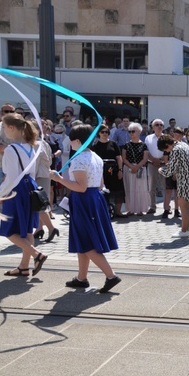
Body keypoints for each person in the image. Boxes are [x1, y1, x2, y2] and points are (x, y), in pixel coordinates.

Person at [49, 124, 121, 292]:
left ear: (78, 141)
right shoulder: (94, 156)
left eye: (71, 140)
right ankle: (82, 278)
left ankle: (111, 275)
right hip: (95, 198)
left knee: (87, 242)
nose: (69, 143)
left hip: (83, 200)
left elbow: (80, 187)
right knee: (84, 240)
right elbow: (100, 183)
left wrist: (58, 178)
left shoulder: (79, 158)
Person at [0, 113, 47, 277]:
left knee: (9, 230)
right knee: (27, 230)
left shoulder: (11, 149)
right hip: (29, 188)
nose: (3, 130)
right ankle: (24, 266)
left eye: (4, 127)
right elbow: (29, 173)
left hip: (16, 191)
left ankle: (36, 255)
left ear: (11, 128)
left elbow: (11, 178)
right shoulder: (29, 146)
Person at [158, 134, 189, 238]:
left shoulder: (176, 150)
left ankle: (184, 230)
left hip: (184, 181)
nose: (167, 152)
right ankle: (186, 229)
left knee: (184, 207)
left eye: (165, 149)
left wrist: (161, 170)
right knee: (187, 207)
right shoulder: (184, 144)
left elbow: (169, 172)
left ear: (167, 144)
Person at [92, 124, 126, 217]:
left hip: (113, 170)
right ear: (99, 133)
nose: (105, 134)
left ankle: (118, 211)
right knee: (103, 191)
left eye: (106, 132)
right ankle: (104, 211)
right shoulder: (95, 145)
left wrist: (120, 170)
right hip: (101, 171)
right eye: (102, 132)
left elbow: (119, 158)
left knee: (118, 190)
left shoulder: (113, 144)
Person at [121, 122, 149, 216]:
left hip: (140, 169)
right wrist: (131, 167)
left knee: (140, 189)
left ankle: (140, 209)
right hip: (128, 169)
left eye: (133, 131)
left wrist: (136, 167)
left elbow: (145, 158)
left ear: (139, 132)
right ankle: (130, 209)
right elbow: (124, 158)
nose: (131, 133)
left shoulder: (144, 145)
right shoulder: (126, 145)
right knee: (129, 189)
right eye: (130, 131)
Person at [145, 119, 166, 215]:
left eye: (161, 125)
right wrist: (153, 159)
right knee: (151, 187)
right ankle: (152, 207)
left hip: (164, 164)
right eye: (157, 125)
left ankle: (167, 207)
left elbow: (169, 151)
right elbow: (146, 151)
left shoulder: (166, 137)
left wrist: (161, 160)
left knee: (165, 186)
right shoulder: (148, 138)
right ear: (153, 127)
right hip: (151, 164)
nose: (159, 126)